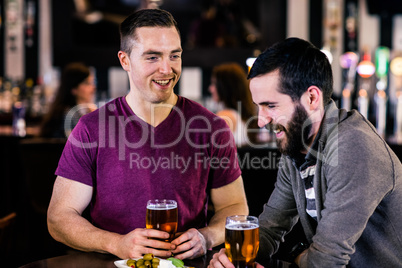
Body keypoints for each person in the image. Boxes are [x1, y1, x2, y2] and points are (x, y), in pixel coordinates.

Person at [47, 8, 248, 261]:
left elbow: (234, 207)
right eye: (152, 57)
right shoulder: (91, 129)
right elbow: (59, 218)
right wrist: (116, 243)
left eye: (174, 55)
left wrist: (207, 236)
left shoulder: (212, 128)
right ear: (125, 60)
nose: (167, 69)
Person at [208, 38, 402, 268]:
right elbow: (270, 229)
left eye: (271, 106)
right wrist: (234, 258)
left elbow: (325, 262)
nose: (261, 121)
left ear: (311, 98)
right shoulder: (298, 148)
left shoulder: (353, 146)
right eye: (258, 106)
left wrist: (298, 256)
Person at [39, 62, 97, 138]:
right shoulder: (71, 116)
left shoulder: (64, 111)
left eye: (92, 83)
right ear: (74, 89)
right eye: (87, 83)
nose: (93, 88)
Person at [209, 62, 258, 147]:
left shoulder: (225, 116)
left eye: (214, 83)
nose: (210, 88)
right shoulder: (238, 115)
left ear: (224, 87)